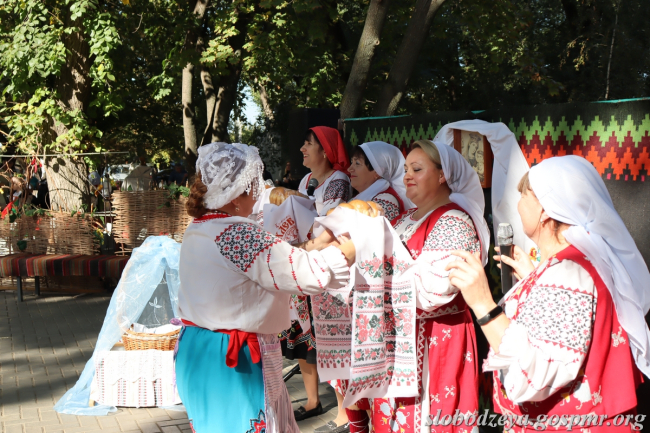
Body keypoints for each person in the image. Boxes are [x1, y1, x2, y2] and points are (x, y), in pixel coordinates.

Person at [447, 155, 648, 433]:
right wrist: (534, 279)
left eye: (523, 196)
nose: (518, 204)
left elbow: (535, 375)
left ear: (544, 209)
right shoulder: (576, 263)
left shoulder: (568, 272)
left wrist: (483, 303)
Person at [175, 142, 355, 433]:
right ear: (237, 196)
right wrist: (348, 252)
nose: (259, 195)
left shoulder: (200, 227)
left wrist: (315, 244)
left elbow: (267, 263)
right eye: (254, 187)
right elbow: (303, 274)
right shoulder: (237, 232)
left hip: (199, 351)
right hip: (234, 359)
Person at [348, 139, 489, 433]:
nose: (407, 176)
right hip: (398, 342)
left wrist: (371, 265)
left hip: (434, 340)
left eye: (417, 169)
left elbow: (432, 290)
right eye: (406, 170)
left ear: (442, 175)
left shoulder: (454, 221)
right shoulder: (402, 220)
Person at [280, 126, 352, 423]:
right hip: (305, 262)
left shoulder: (338, 181)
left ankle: (345, 410)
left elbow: (329, 226)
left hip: (327, 266)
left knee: (331, 336)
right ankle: (312, 401)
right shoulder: (306, 180)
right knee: (302, 336)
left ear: (325, 150)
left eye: (308, 144)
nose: (302, 149)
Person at [348, 141, 414, 220]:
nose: (349, 169)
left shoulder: (386, 201)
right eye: (352, 162)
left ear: (377, 172)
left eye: (357, 163)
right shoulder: (361, 197)